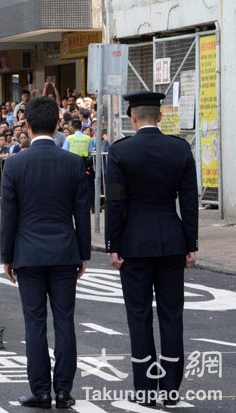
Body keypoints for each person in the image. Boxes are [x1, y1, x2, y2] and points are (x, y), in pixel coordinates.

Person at [105, 91, 198, 407]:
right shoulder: (179, 150)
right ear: (159, 117)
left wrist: (112, 245)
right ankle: (171, 390)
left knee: (139, 316)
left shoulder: (120, 153)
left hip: (133, 244)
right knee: (172, 315)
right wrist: (191, 243)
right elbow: (189, 201)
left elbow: (115, 202)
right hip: (172, 240)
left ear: (133, 118)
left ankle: (145, 390)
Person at [0, 96, 90, 410]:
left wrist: (7, 257)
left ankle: (40, 390)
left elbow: (8, 215)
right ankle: (64, 390)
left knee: (34, 323)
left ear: (26, 125)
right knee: (65, 321)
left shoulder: (14, 164)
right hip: (65, 251)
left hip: (28, 253)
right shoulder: (73, 163)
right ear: (57, 125)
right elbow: (82, 212)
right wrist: (83, 253)